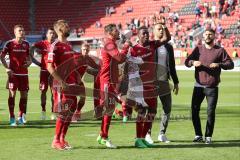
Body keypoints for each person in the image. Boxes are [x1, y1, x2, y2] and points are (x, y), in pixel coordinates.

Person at [185, 28, 234, 144]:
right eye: (206, 34)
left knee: (210, 112)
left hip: (212, 87)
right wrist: (193, 62)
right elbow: (187, 62)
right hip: (198, 86)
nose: (207, 36)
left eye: (210, 34)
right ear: (203, 36)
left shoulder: (220, 50)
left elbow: (230, 64)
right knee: (194, 111)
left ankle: (208, 137)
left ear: (214, 36)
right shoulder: (198, 49)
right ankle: (198, 135)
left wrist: (219, 64)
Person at [128, 24, 171, 148]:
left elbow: (167, 38)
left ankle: (143, 137)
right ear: (138, 36)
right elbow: (129, 68)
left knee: (152, 111)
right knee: (141, 111)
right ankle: (138, 138)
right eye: (143, 33)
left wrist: (164, 26)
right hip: (140, 86)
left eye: (147, 33)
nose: (146, 35)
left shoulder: (153, 44)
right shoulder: (134, 50)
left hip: (152, 85)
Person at [97, 24, 130, 148]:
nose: (119, 32)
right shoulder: (109, 43)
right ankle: (104, 137)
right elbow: (120, 58)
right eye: (116, 30)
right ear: (110, 32)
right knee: (108, 109)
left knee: (109, 109)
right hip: (107, 81)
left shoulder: (111, 43)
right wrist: (126, 47)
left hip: (110, 80)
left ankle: (102, 135)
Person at [145, 22, 179, 144]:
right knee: (151, 109)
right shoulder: (151, 45)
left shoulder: (168, 47)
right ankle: (147, 134)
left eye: (162, 29)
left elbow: (172, 66)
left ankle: (162, 134)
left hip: (164, 81)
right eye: (159, 29)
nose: (161, 31)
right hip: (152, 82)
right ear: (153, 32)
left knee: (167, 108)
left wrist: (176, 82)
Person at [0, 24, 31, 126]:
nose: (22, 32)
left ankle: (20, 116)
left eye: (22, 30)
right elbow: (2, 56)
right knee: (12, 95)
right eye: (19, 31)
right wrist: (7, 68)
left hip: (24, 74)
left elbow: (29, 58)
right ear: (15, 32)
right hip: (13, 74)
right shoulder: (9, 44)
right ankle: (12, 117)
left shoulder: (26, 44)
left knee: (24, 96)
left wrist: (29, 62)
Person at [30, 28, 56, 120]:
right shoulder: (42, 43)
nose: (52, 35)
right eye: (50, 33)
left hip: (53, 72)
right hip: (44, 71)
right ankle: (43, 111)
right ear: (46, 34)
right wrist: (33, 60)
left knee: (54, 92)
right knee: (43, 91)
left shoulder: (57, 44)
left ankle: (53, 112)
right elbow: (32, 47)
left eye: (53, 33)